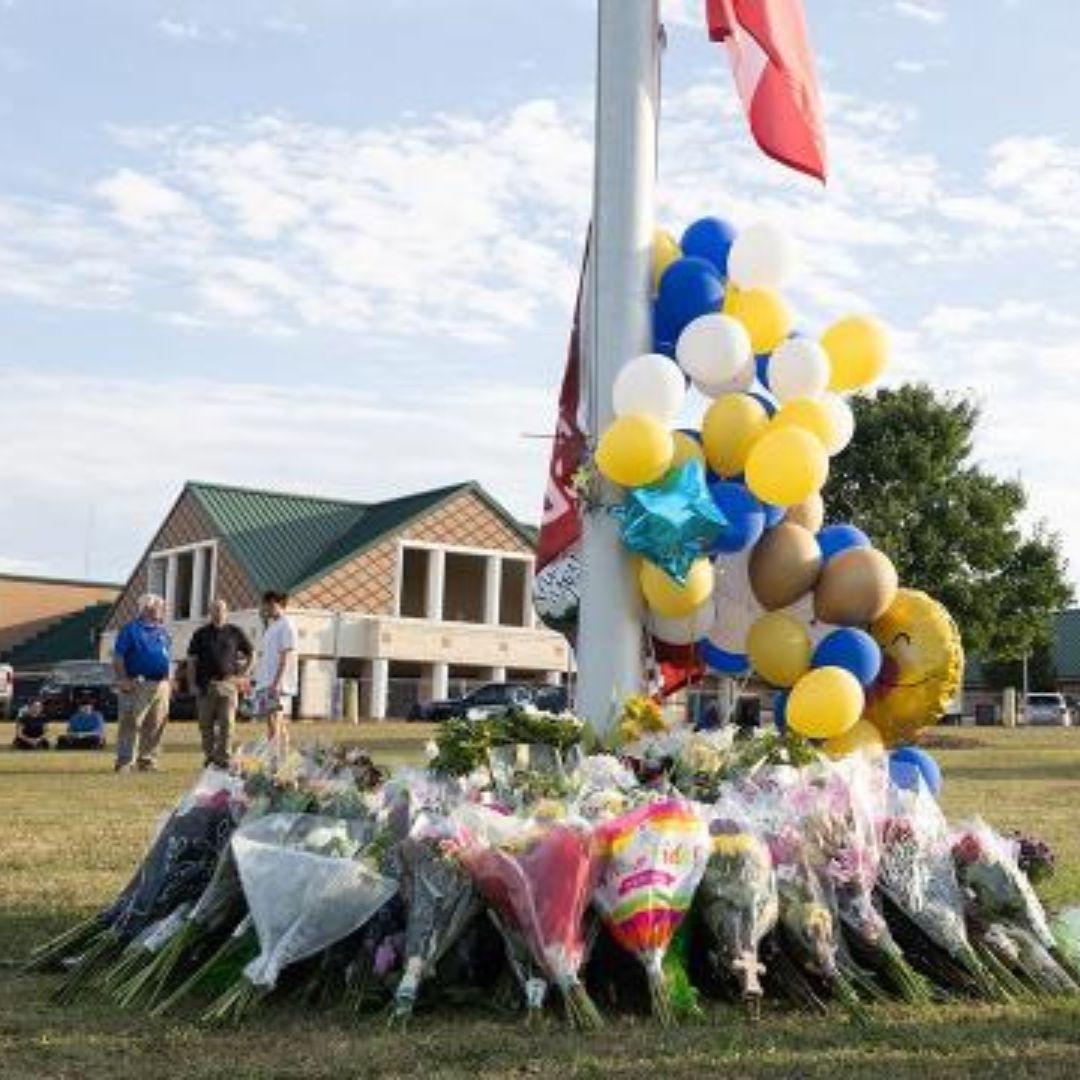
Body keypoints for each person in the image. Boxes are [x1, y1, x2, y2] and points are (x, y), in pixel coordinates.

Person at [187, 598, 253, 769]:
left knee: (227, 723)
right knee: (205, 724)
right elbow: (192, 661)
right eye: (215, 610)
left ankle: (224, 758)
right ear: (210, 612)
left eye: (221, 610)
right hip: (205, 685)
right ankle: (210, 757)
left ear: (226, 612)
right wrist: (192, 683)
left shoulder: (235, 632)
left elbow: (251, 653)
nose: (218, 613)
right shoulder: (200, 634)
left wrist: (243, 674)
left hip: (228, 685)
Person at [113, 593, 172, 773]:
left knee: (156, 724)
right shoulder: (130, 630)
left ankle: (147, 761)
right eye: (160, 607)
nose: (163, 610)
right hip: (137, 683)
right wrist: (123, 679)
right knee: (131, 722)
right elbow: (118, 657)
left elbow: (167, 657)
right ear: (147, 608)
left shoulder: (163, 632)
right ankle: (124, 762)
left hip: (160, 684)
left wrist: (169, 680)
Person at [253, 590, 298, 758]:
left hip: (276, 683)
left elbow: (286, 655)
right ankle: (280, 757)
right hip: (266, 681)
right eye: (267, 605)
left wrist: (276, 683)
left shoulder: (287, 624)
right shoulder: (273, 626)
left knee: (274, 722)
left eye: (272, 605)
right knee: (273, 722)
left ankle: (277, 758)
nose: (268, 608)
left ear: (281, 605)